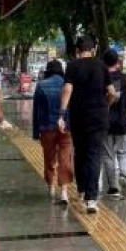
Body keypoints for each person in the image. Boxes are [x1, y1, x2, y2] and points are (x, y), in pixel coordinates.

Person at [58, 35, 114, 214]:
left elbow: (68, 89)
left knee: (80, 152)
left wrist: (62, 113)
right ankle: (91, 199)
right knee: (94, 154)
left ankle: (82, 190)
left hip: (78, 116)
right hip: (98, 117)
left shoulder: (72, 66)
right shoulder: (102, 65)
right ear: (94, 49)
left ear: (77, 50)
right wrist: (106, 104)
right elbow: (111, 92)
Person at [32, 59, 73, 205]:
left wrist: (36, 132)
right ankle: (64, 192)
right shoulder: (67, 84)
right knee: (65, 158)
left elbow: (36, 111)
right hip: (66, 127)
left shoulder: (41, 85)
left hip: (47, 127)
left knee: (49, 158)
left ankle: (51, 187)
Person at [101, 49, 126, 198]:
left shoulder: (101, 78)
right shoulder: (125, 78)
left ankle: (113, 187)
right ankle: (123, 174)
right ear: (117, 62)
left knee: (108, 155)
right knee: (123, 152)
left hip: (106, 122)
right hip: (122, 121)